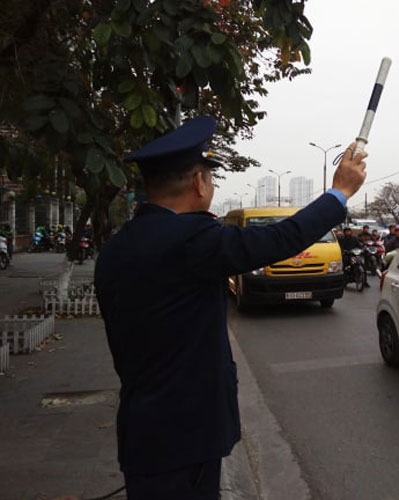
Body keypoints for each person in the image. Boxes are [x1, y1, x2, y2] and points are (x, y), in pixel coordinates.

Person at [94, 116, 367, 500]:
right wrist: (339, 192)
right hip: (185, 436)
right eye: (210, 176)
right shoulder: (191, 241)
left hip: (144, 430)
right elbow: (281, 238)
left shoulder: (118, 247)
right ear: (198, 182)